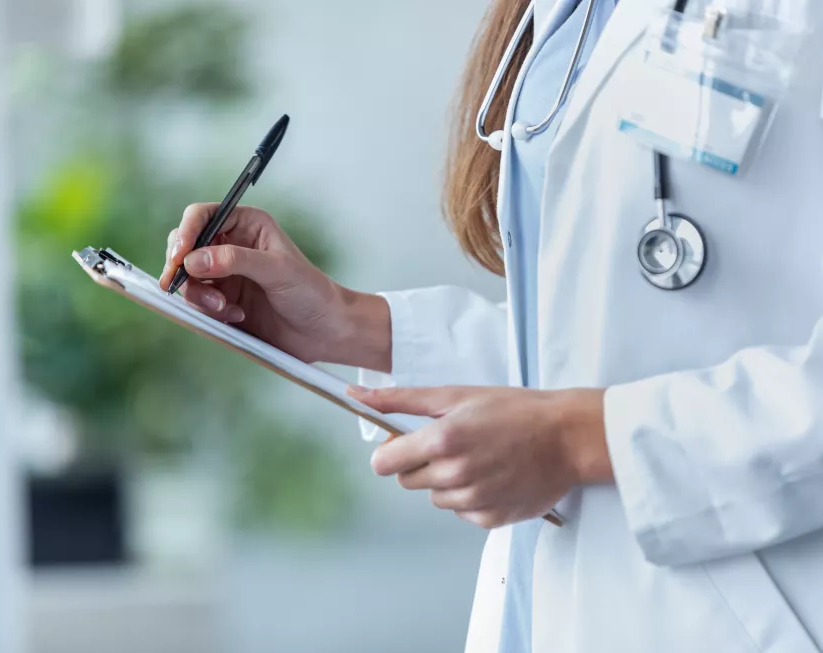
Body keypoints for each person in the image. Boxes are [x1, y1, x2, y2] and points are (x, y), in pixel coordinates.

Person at [160, 0, 823, 651]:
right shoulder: (564, 15)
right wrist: (350, 323)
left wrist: (576, 440)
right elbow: (593, 339)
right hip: (559, 599)